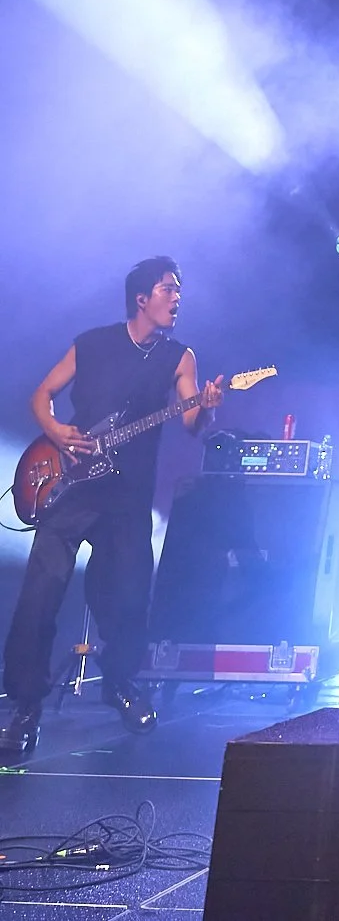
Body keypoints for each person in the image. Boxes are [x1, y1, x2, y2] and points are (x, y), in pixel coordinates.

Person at [0, 258, 224, 762]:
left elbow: (192, 422)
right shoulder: (93, 343)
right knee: (40, 597)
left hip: (127, 500)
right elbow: (43, 394)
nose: (177, 297)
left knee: (126, 601)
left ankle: (119, 682)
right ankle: (25, 706)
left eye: (179, 290)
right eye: (169, 289)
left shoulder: (179, 357)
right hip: (71, 490)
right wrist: (57, 433)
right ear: (141, 298)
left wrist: (207, 404)